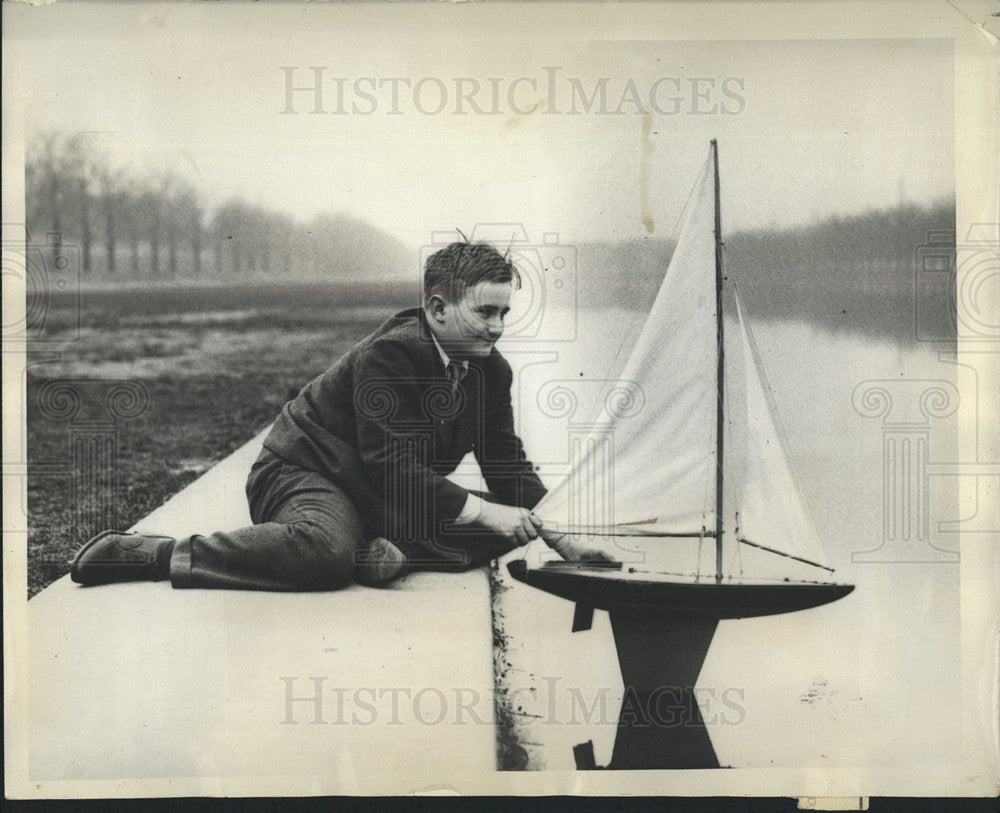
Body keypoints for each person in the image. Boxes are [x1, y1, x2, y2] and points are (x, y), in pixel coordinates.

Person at [70, 240, 609, 591]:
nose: (497, 327)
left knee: (514, 527)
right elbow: (393, 467)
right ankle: (156, 555)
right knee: (323, 556)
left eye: (505, 313)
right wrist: (483, 512)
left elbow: (505, 460)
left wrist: (558, 530)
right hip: (306, 473)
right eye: (485, 312)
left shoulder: (491, 372)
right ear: (437, 308)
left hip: (379, 493)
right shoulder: (391, 355)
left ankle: (372, 549)